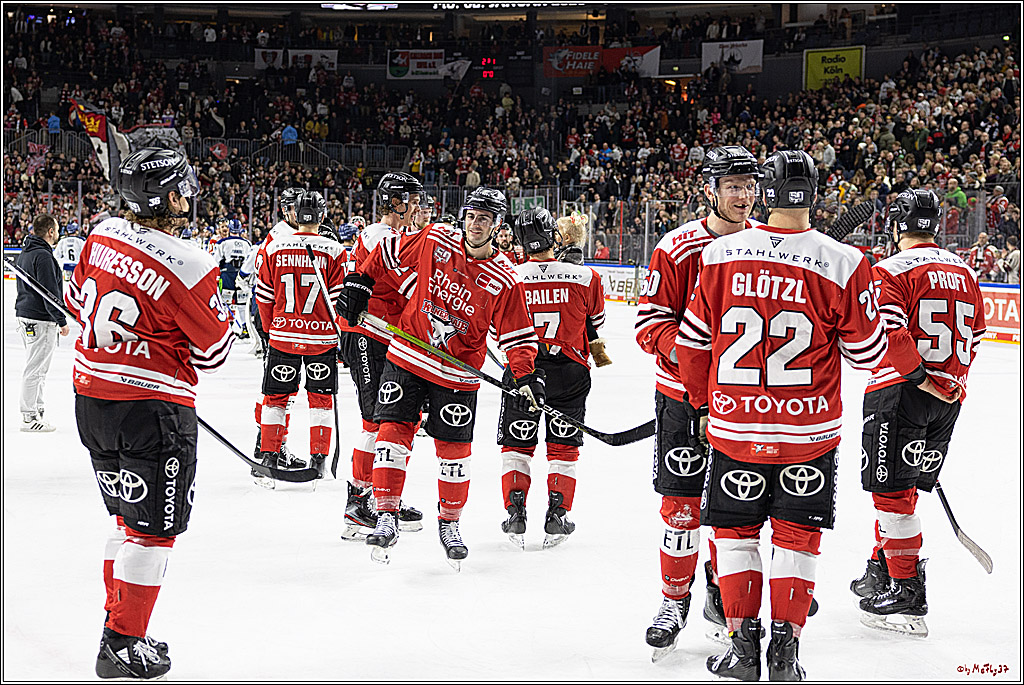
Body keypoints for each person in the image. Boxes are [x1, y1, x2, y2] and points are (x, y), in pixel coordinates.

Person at [676, 150, 887, 681]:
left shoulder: (720, 254)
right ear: (815, 194)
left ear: (765, 192)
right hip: (809, 433)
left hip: (734, 426)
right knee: (797, 539)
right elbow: (867, 353)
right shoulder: (845, 261)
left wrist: (702, 406)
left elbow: (692, 345)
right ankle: (786, 654)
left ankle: (743, 649)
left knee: (737, 535)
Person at [65, 147, 231, 679]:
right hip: (153, 411)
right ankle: (121, 641)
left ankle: (118, 622)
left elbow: (75, 301)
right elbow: (215, 352)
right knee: (153, 533)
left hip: (91, 399)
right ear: (173, 195)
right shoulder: (191, 262)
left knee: (124, 520)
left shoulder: (102, 231)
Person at [338, 186, 541, 570]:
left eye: (484, 218)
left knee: (453, 454)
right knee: (392, 434)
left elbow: (517, 335)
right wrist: (359, 281)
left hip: (456, 374)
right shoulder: (435, 239)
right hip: (408, 357)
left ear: (497, 226)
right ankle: (384, 513)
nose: (475, 224)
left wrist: (525, 374)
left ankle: (449, 523)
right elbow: (386, 253)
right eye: (471, 216)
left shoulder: (506, 279)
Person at [634, 146, 767, 659]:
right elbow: (650, 326)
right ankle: (673, 600)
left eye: (749, 185)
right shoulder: (677, 246)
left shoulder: (767, 244)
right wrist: (696, 368)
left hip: (747, 407)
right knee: (682, 507)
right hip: (682, 402)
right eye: (732, 185)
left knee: (734, 511)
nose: (743, 194)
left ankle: (721, 594)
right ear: (709, 189)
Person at [852, 189, 986, 638]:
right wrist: (947, 385)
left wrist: (919, 379)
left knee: (891, 496)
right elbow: (977, 333)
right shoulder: (965, 270)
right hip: (948, 399)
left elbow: (891, 331)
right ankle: (881, 569)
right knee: (902, 491)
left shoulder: (888, 269)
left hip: (900, 390)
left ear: (897, 226)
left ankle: (907, 593)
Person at [497, 207, 607, 549]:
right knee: (563, 448)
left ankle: (516, 514)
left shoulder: (509, 276)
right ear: (553, 237)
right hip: (570, 373)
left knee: (517, 446)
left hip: (523, 370)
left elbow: (498, 329)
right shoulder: (587, 277)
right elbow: (597, 323)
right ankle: (557, 515)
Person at [338, 172, 427, 540]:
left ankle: (381, 492)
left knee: (395, 419)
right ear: (394, 202)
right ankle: (359, 502)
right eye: (412, 200)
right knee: (376, 420)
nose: (418, 207)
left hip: (382, 338)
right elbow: (408, 287)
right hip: (367, 337)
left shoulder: (390, 236)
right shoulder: (383, 238)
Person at [253, 190, 346, 483]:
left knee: (275, 399)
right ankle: (318, 460)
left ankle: (269, 456)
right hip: (321, 340)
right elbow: (338, 302)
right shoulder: (335, 251)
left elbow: (263, 296)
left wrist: (271, 330)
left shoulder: (273, 247)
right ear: (322, 215)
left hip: (283, 336)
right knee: (321, 400)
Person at [15, 212, 70, 432]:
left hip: (26, 315)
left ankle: (36, 409)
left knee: (37, 367)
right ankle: (29, 416)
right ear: (50, 231)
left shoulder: (27, 253)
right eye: (56, 229)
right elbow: (49, 293)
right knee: (35, 368)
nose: (58, 233)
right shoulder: (44, 256)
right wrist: (61, 319)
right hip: (39, 319)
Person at [213, 219, 251, 338]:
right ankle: (245, 327)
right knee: (242, 303)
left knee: (226, 302)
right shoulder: (247, 243)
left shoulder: (222, 242)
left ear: (229, 228)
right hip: (241, 275)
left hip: (227, 274)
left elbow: (215, 260)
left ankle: (226, 327)